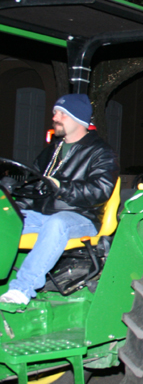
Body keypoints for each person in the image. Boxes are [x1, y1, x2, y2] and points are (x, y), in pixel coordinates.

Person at [0, 94, 119, 308]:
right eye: (55, 112)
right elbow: (34, 189)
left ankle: (21, 290)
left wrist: (61, 187)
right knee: (5, 218)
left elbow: (100, 190)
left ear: (78, 119)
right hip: (43, 215)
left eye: (61, 113)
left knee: (57, 224)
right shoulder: (49, 153)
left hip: (82, 217)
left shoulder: (100, 152)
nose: (54, 117)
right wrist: (14, 208)